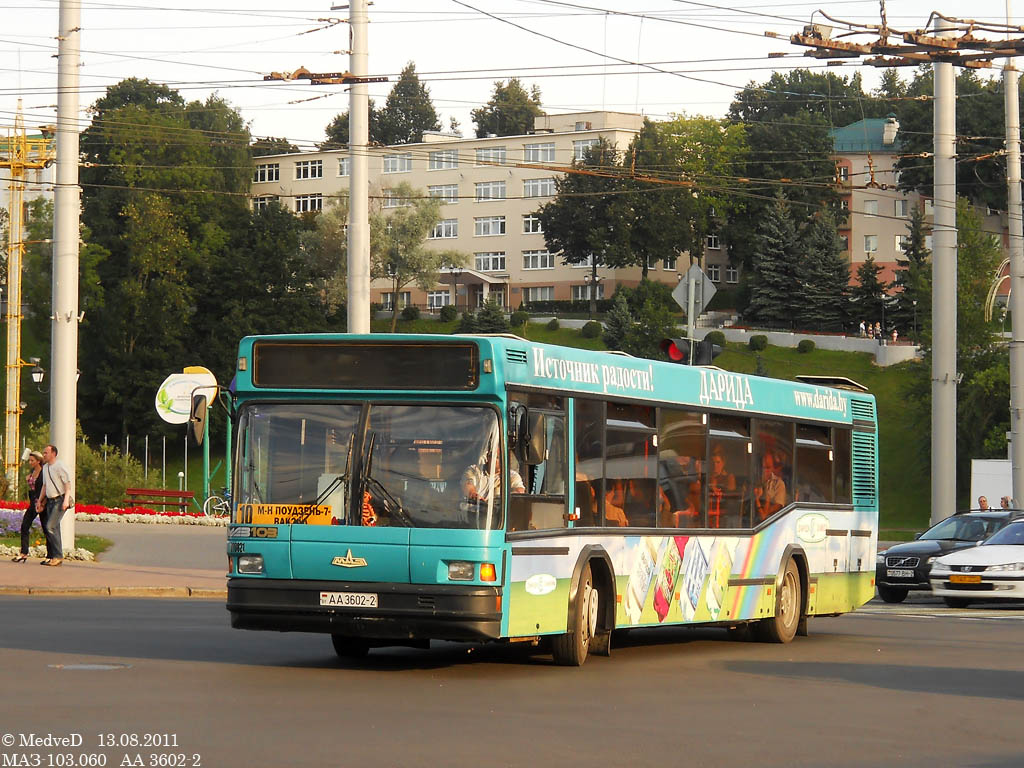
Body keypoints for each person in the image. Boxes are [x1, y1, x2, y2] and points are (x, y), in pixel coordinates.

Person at [39, 443, 74, 567]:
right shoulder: (45, 467)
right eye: (43, 453)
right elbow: (44, 486)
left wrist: (65, 500)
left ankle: (58, 555)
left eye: (46, 453)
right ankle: (55, 556)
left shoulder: (60, 466)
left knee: (50, 526)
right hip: (50, 501)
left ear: (53, 453)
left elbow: (67, 484)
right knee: (55, 528)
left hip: (59, 500)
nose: (44, 455)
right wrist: (40, 500)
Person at [11, 451, 45, 563]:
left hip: (42, 503)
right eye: (29, 460)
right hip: (33, 503)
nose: (30, 462)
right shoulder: (32, 471)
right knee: (25, 525)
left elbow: (44, 487)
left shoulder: (44, 472)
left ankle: (51, 555)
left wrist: (42, 502)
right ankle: (24, 553)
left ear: (38, 461)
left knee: (46, 528)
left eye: (32, 460)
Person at [753, 450, 787, 521]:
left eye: (768, 467)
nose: (765, 471)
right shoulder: (757, 482)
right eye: (763, 467)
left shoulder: (779, 484)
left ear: (774, 468)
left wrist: (760, 500)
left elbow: (766, 514)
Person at [707, 446, 736, 527]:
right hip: (709, 514)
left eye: (718, 462)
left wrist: (715, 488)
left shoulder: (729, 477)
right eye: (713, 463)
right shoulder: (708, 478)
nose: (715, 465)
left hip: (724, 515)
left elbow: (731, 496)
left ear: (723, 463)